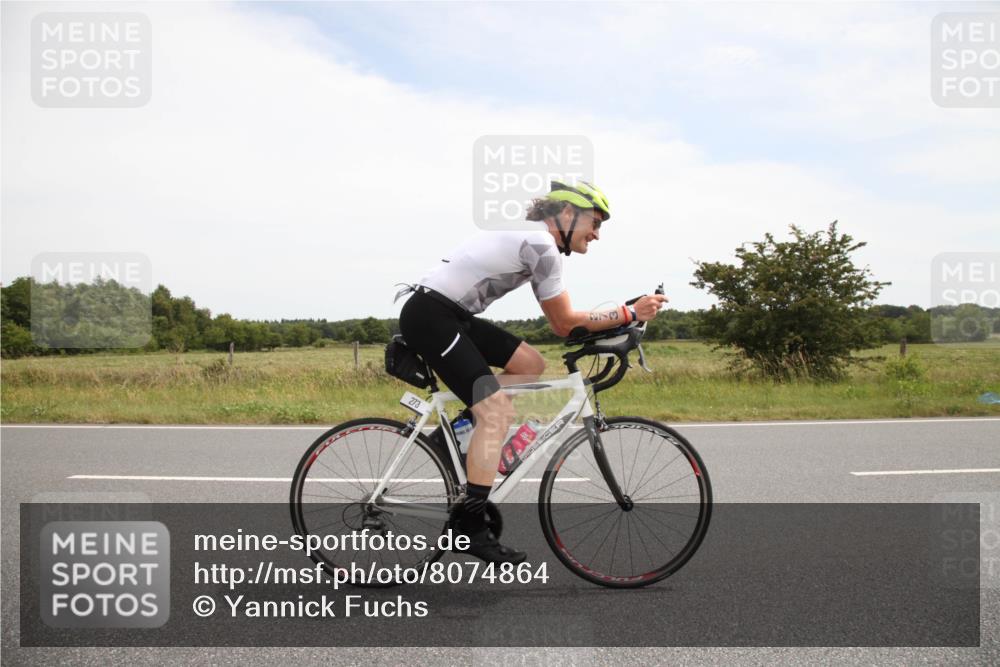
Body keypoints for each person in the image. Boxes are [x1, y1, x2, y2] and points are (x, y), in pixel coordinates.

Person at [396, 181, 667, 564]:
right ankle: (469, 526)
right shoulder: (541, 246)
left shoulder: (538, 242)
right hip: (432, 316)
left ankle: (452, 436)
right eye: (596, 222)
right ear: (568, 214)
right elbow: (564, 323)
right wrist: (629, 313)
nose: (597, 234)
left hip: (448, 315)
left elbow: (567, 324)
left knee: (529, 365)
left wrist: (624, 316)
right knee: (498, 412)